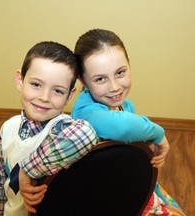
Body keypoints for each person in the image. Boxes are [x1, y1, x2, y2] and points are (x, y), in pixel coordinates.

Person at [19, 29, 186, 216]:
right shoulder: (87, 112)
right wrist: (158, 135)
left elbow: (130, 147)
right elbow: (123, 127)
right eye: (100, 79)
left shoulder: (124, 106)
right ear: (82, 80)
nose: (114, 87)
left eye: (120, 72)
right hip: (101, 199)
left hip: (128, 183)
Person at [0, 41, 99, 216]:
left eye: (58, 91)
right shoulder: (8, 127)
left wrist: (26, 171)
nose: (45, 97)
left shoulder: (61, 129)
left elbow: (86, 135)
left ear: (69, 96)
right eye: (36, 85)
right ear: (20, 81)